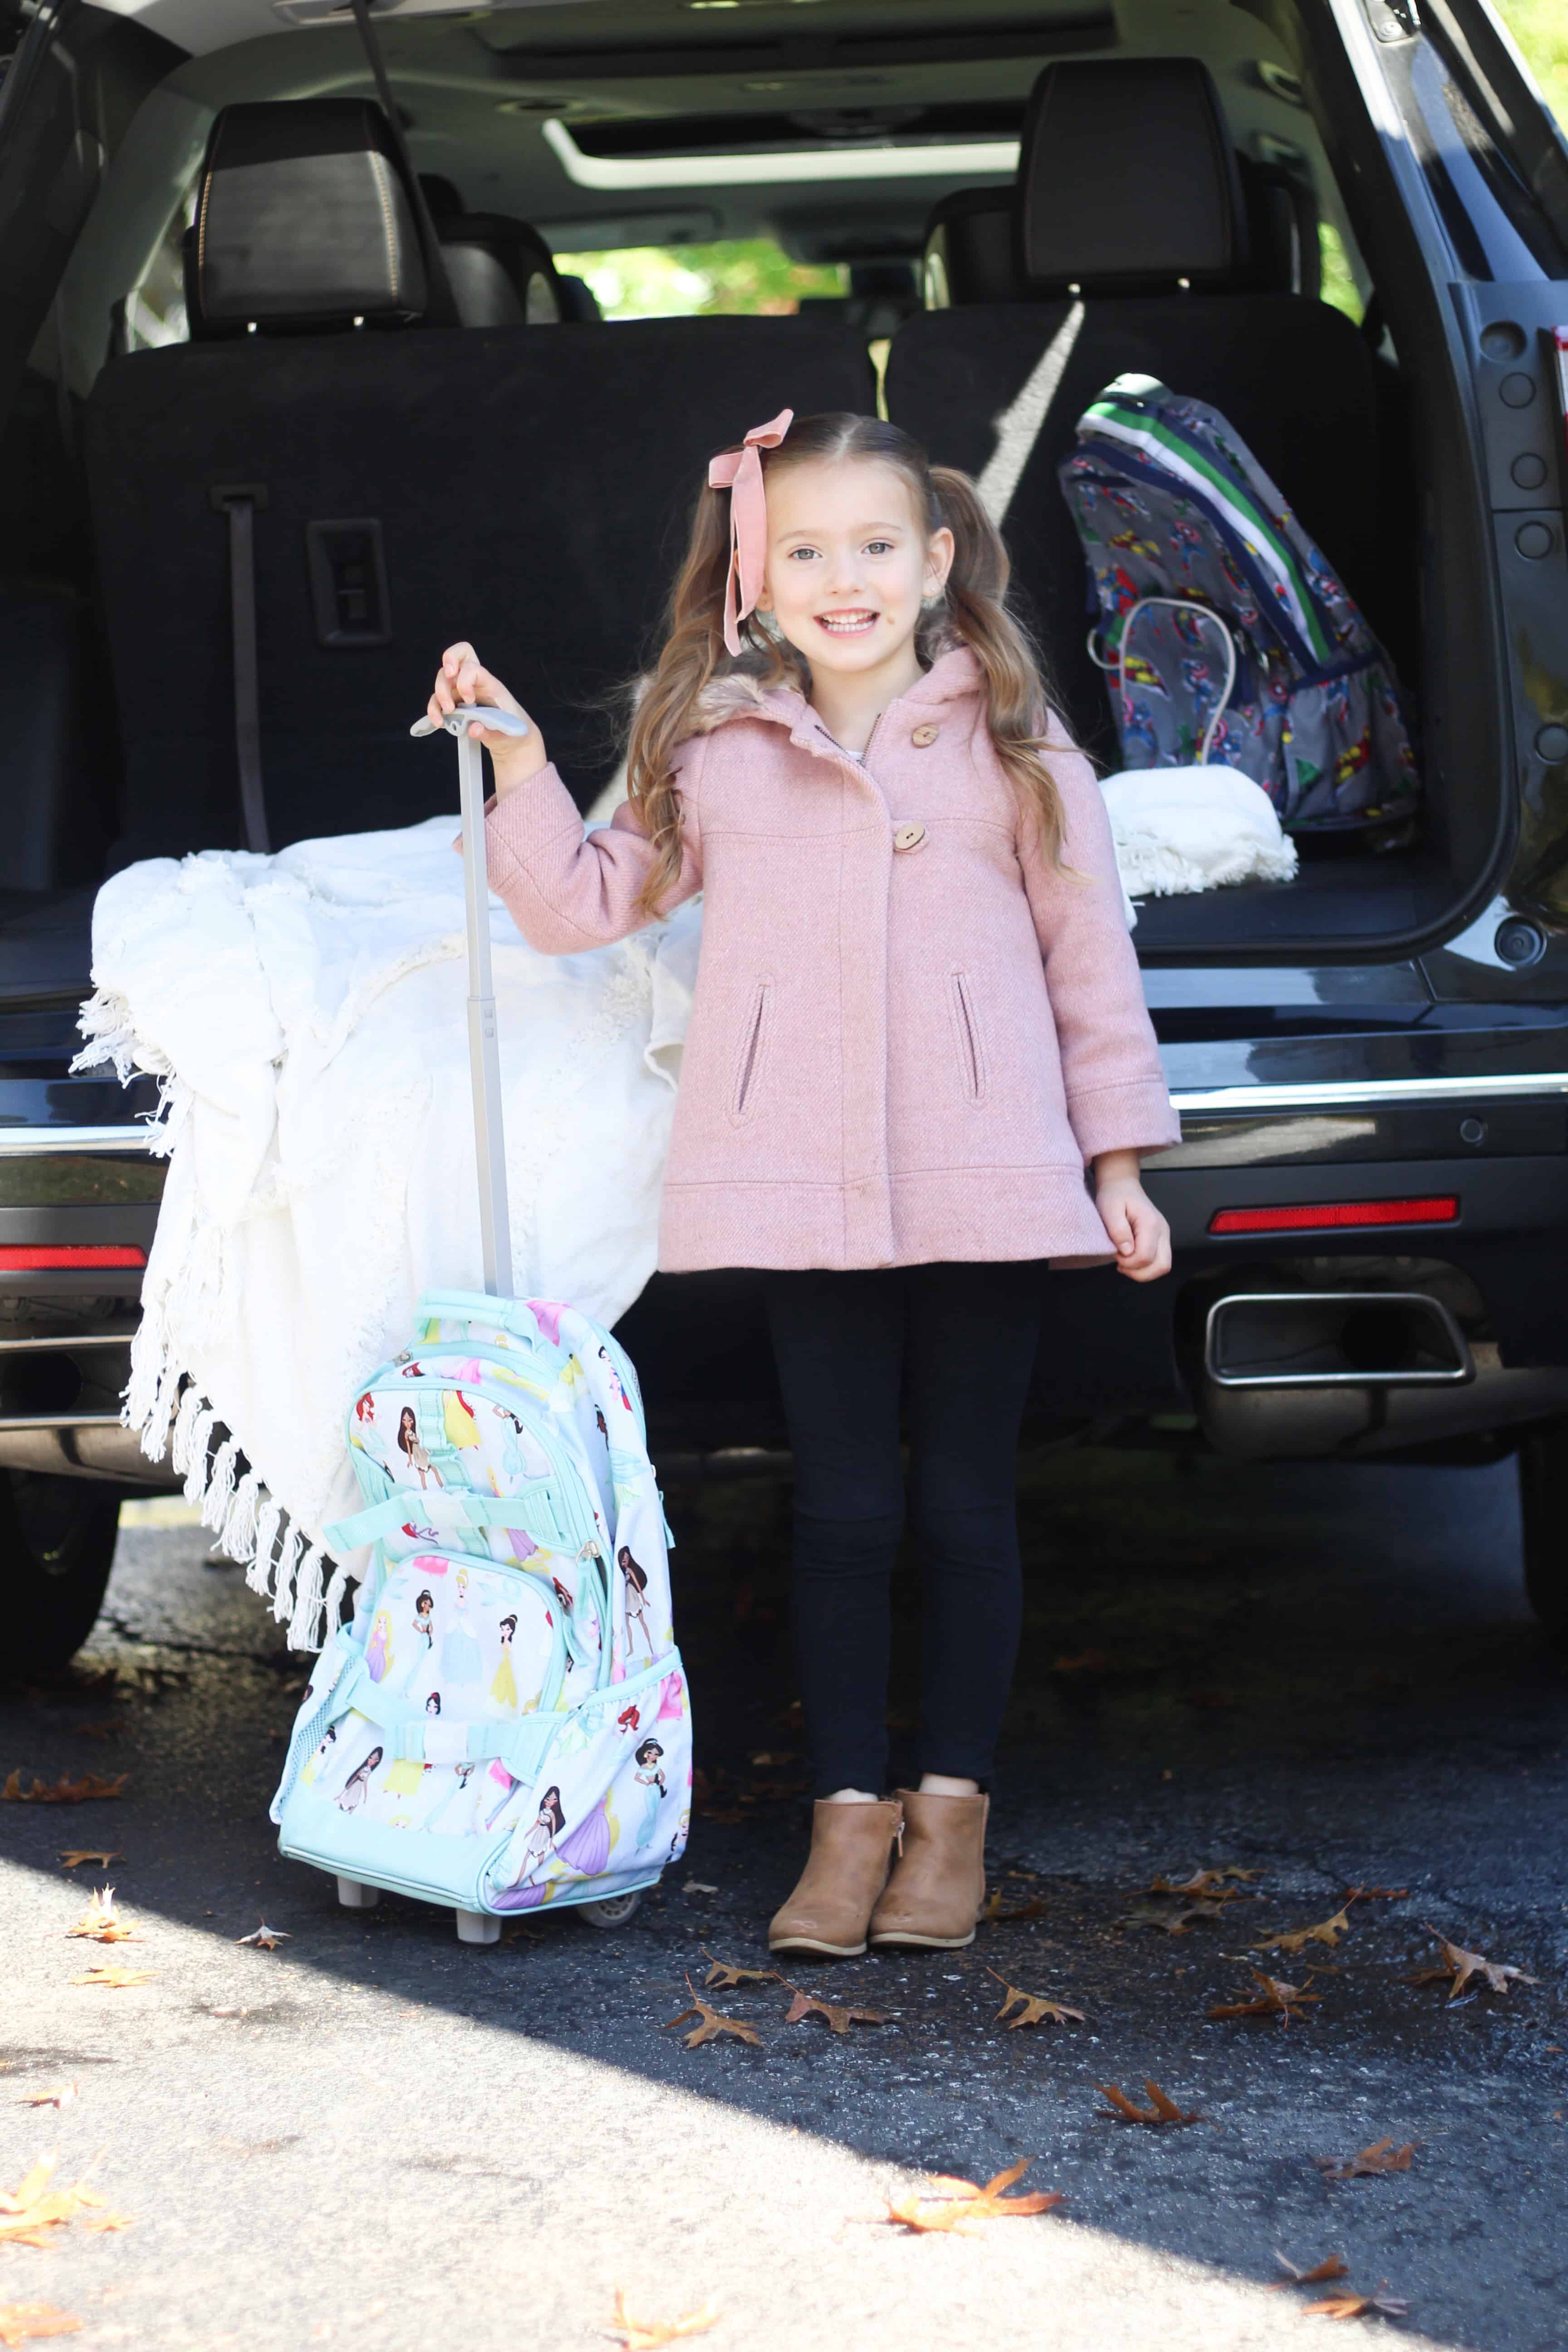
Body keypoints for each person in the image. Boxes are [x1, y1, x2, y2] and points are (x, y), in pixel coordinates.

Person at [425, 408, 1177, 1961]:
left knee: (965, 1507)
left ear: (939, 560)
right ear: (759, 581)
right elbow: (581, 910)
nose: (848, 581)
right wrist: (517, 763)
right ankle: (848, 1824)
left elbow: (1088, 969)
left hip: (987, 1173)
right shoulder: (720, 751)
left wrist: (1116, 1161)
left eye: (879, 547)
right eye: (811, 551)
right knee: (839, 1512)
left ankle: (948, 1820)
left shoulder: (1024, 752)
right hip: (794, 1184)